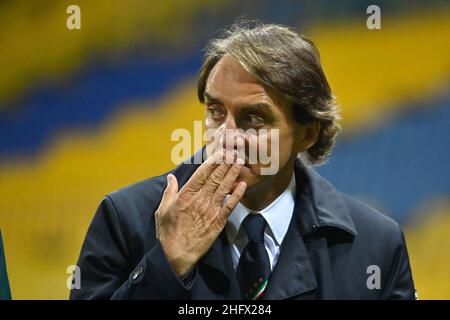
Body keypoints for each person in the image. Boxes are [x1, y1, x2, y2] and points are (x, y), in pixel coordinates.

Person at [70, 21, 416, 300]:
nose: (227, 136)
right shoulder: (125, 220)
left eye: (254, 117)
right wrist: (166, 265)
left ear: (307, 133)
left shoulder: (375, 245)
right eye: (216, 112)